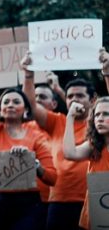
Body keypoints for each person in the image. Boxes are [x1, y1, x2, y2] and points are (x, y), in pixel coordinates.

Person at [0, 58, 57, 230]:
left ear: (26, 110)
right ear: (0, 110)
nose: (10, 105)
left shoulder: (37, 137)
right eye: (6, 102)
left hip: (28, 206)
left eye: (16, 102)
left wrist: (34, 163)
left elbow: (52, 178)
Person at [21, 52, 95, 230]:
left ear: (92, 100)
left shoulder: (99, 124)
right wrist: (28, 74)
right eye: (69, 97)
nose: (74, 100)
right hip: (59, 200)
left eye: (79, 96)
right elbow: (30, 104)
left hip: (91, 199)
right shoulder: (57, 121)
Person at [63, 96, 109, 230]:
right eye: (97, 115)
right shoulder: (93, 146)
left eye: (106, 114)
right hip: (97, 215)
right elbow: (70, 153)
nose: (99, 118)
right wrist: (70, 117)